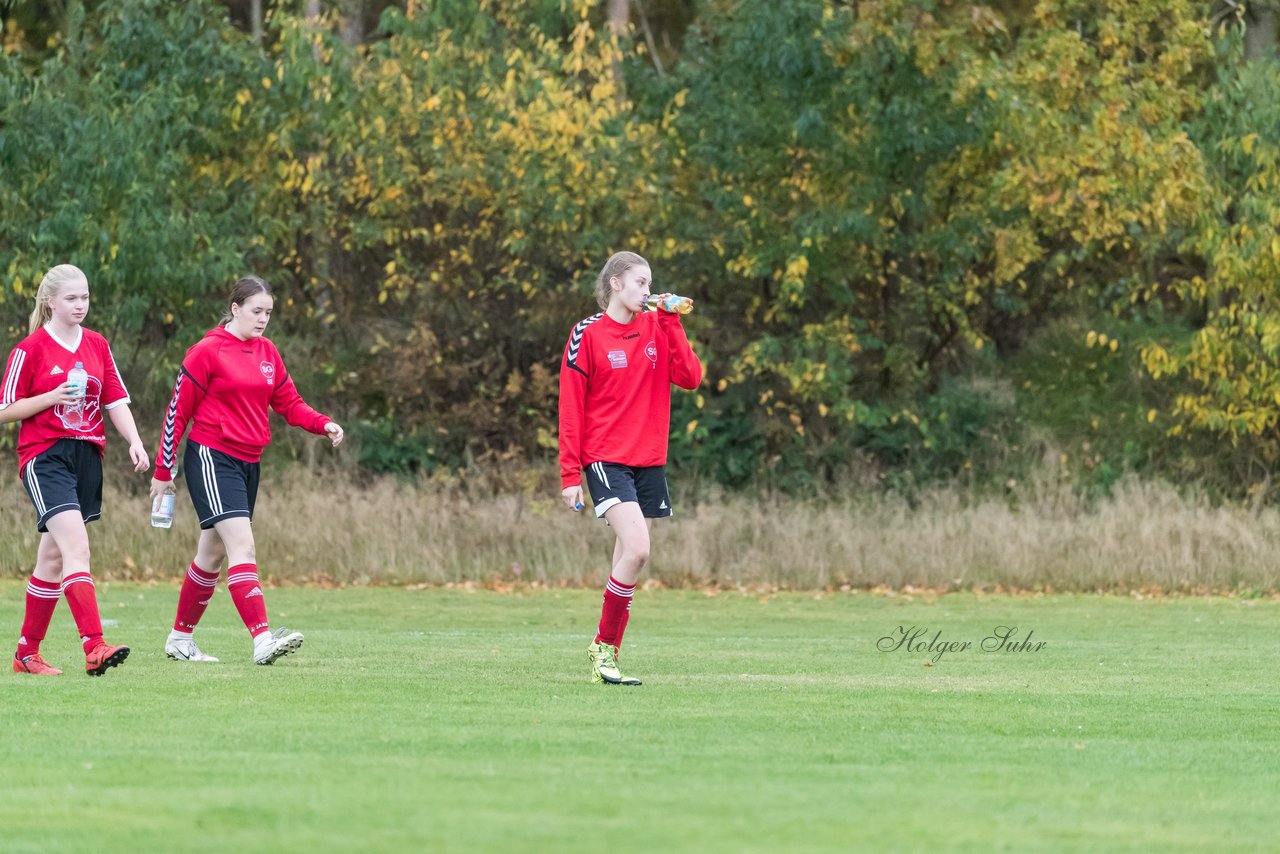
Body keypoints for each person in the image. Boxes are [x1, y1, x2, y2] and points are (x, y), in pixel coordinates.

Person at [150, 276, 344, 665]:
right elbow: (177, 411)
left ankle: (179, 639)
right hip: (211, 456)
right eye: (257, 311)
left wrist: (323, 423)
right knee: (243, 545)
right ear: (235, 308)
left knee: (212, 554)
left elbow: (290, 404)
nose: (263, 319)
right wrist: (162, 470)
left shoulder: (268, 352)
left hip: (249, 462)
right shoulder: (206, 352)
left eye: (268, 313)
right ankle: (262, 640)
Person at [558, 251, 702, 686]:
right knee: (638, 549)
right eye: (640, 282)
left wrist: (672, 322)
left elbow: (691, 377)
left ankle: (608, 656)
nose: (648, 290)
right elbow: (571, 406)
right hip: (604, 457)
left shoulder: (658, 326)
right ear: (616, 283)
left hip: (648, 460)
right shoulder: (588, 332)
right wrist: (569, 475)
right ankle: (602, 646)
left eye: (650, 283)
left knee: (628, 558)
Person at [2, 264, 150, 676]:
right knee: (77, 549)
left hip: (87, 458)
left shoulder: (98, 345)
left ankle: (25, 654)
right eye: (71, 298)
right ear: (50, 302)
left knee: (52, 559)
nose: (80, 304)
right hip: (45, 456)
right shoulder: (29, 350)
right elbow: (6, 410)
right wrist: (51, 396)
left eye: (85, 297)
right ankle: (95, 646)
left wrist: (135, 441)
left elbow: (116, 400)